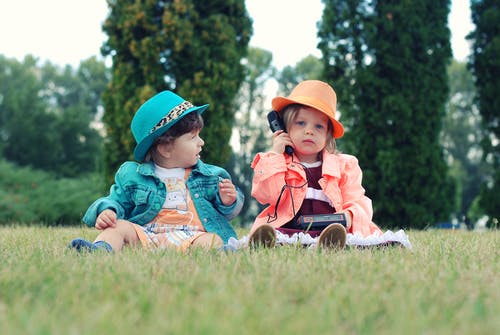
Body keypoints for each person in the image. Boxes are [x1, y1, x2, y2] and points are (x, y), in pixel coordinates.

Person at [70, 90, 244, 253]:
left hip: (192, 236)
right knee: (117, 227)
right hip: (145, 235)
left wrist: (228, 201)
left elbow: (226, 213)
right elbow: (116, 200)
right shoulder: (133, 176)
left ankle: (221, 253)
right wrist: (108, 211)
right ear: (166, 148)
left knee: (212, 239)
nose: (201, 142)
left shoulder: (209, 176)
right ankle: (101, 249)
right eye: (193, 137)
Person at [248, 80, 382, 249]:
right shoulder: (277, 162)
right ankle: (267, 242)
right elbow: (267, 194)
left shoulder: (344, 166)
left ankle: (330, 243)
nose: (309, 130)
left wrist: (349, 215)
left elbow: (357, 199)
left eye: (319, 126)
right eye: (301, 123)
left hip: (330, 230)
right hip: (289, 228)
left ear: (328, 135)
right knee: (278, 235)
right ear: (283, 128)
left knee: (340, 235)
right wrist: (276, 156)